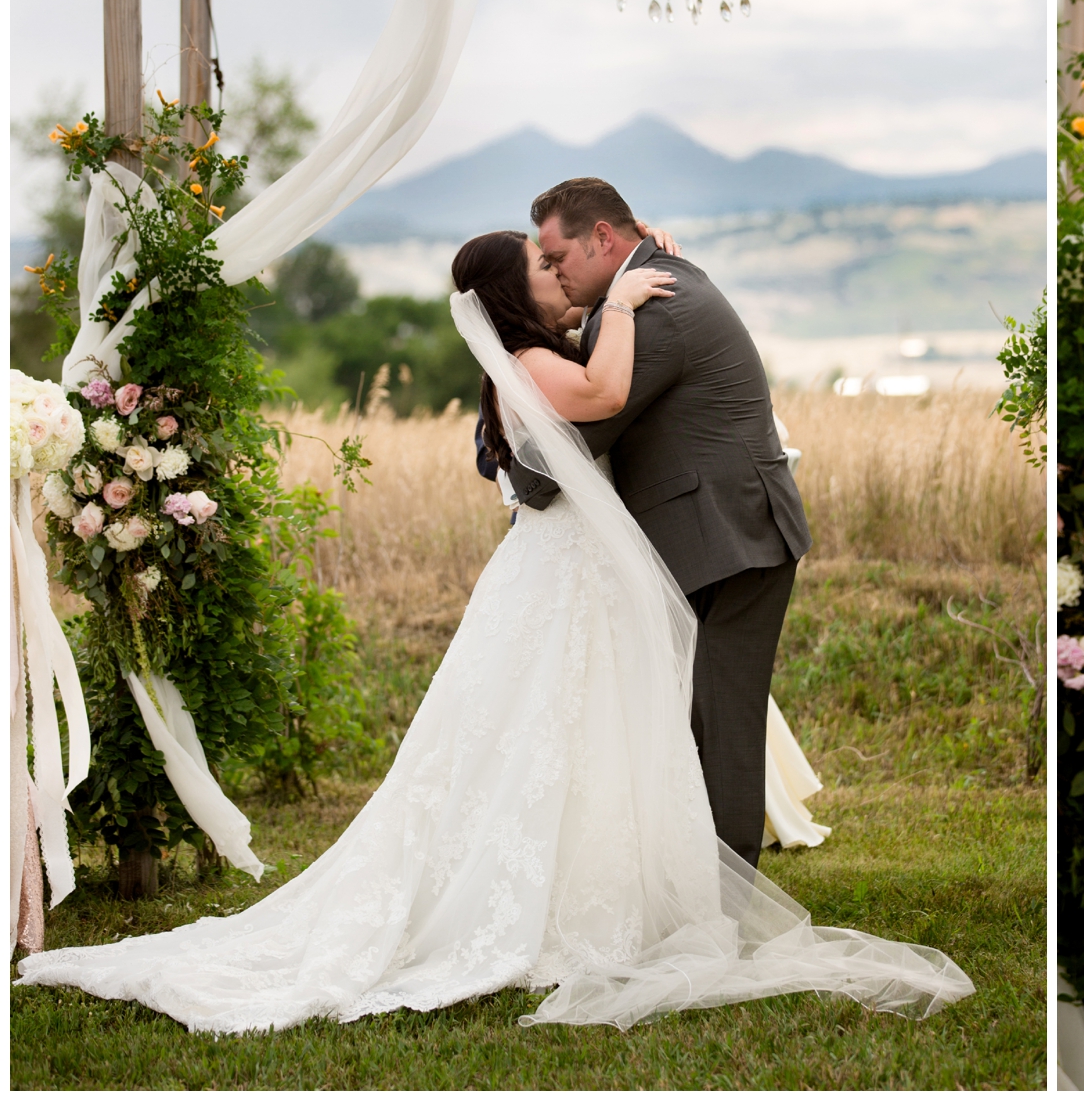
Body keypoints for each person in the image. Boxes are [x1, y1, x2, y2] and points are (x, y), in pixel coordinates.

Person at [13, 231, 971, 1033]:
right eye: (545, 271)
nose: (562, 278)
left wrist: (635, 265)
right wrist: (626, 305)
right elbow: (600, 399)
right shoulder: (540, 360)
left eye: (564, 265)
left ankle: (600, 880)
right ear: (516, 292)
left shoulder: (532, 356)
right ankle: (548, 901)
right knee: (547, 731)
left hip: (569, 569)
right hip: (562, 572)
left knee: (577, 733)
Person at [520, 178, 810, 871]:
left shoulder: (658, 312)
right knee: (695, 719)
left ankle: (728, 896)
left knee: (722, 723)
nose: (555, 272)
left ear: (603, 240)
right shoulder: (641, 288)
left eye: (559, 257)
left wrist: (514, 465)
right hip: (708, 531)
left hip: (734, 536)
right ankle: (688, 879)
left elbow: (572, 443)